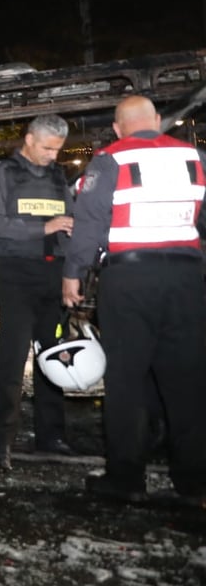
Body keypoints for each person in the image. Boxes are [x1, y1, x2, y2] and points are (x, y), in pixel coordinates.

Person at [62, 96, 206, 505]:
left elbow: (89, 223)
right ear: (158, 122)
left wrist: (73, 274)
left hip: (129, 280)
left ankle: (126, 478)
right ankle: (194, 479)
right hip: (185, 280)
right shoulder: (195, 157)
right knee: (189, 380)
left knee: (126, 380)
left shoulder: (111, 160)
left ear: (119, 128)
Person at [0, 114, 76, 471]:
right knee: (12, 359)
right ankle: (1, 442)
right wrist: (42, 226)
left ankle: (52, 436)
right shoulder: (1, 174)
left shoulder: (57, 176)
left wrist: (73, 273)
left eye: (58, 149)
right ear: (30, 139)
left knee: (55, 355)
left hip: (54, 275)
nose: (53, 155)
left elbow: (70, 222)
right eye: (48, 148)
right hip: (17, 276)